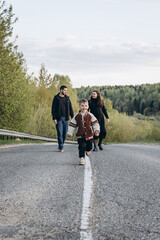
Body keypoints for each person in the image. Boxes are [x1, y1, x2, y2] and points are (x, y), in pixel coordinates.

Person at [67, 98, 100, 165]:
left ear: (88, 107)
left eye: (85, 106)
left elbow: (95, 123)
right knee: (81, 147)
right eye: (82, 106)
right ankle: (82, 158)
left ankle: (88, 150)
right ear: (79, 106)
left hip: (89, 134)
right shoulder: (76, 116)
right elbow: (72, 125)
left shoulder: (90, 115)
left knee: (89, 146)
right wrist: (69, 134)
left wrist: (96, 130)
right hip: (80, 135)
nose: (84, 107)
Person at [52, 85, 74, 152]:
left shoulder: (67, 98)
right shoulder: (56, 98)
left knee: (64, 133)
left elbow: (70, 108)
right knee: (60, 132)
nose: (66, 92)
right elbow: (53, 109)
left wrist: (73, 118)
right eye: (65, 90)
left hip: (66, 118)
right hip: (59, 119)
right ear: (61, 90)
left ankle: (61, 144)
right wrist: (54, 118)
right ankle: (61, 147)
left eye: (66, 90)